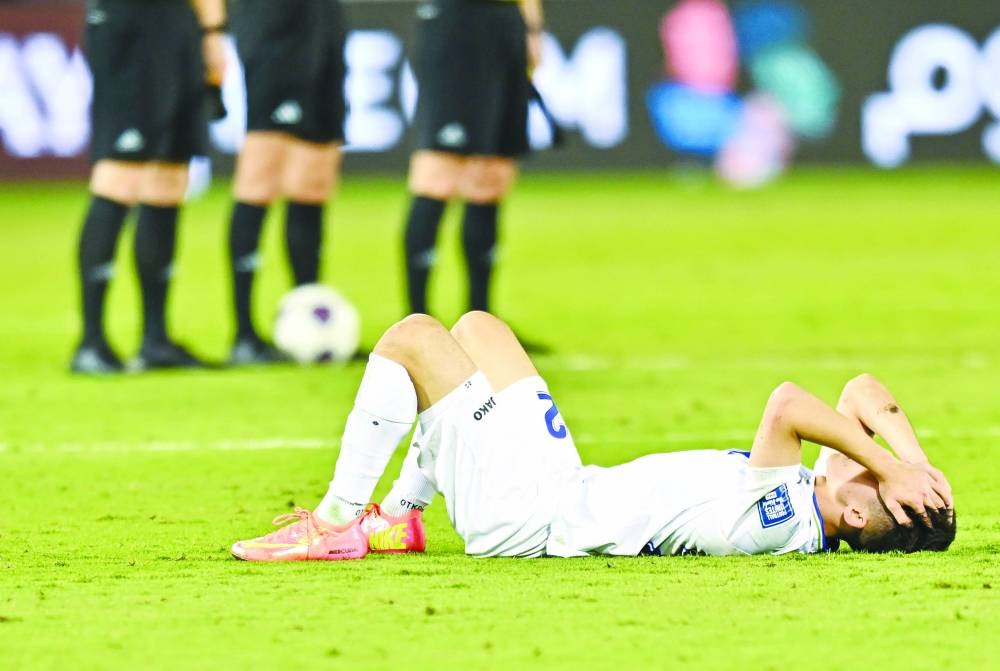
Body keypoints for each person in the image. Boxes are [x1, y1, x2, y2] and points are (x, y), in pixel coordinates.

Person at [231, 312, 955, 561]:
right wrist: (910, 467)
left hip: (531, 518)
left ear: (855, 514)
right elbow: (862, 390)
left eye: (868, 478)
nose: (856, 457)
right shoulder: (833, 499)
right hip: (566, 486)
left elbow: (790, 402)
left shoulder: (784, 520)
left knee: (413, 339)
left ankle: (334, 523)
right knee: (480, 330)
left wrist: (887, 467)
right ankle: (402, 519)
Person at [71, 0, 227, 374]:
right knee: (119, 173)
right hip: (133, 21)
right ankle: (91, 343)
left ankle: (155, 339)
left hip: (179, 21)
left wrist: (209, 30)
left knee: (169, 178)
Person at [402, 0, 544, 317]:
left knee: (493, 174)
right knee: (439, 171)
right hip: (456, 21)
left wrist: (531, 25)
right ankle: (417, 323)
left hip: (506, 20)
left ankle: (481, 320)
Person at [225, 0, 348, 364]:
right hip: (274, 23)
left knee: (313, 179)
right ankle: (244, 335)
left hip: (323, 21)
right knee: (262, 173)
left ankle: (311, 326)